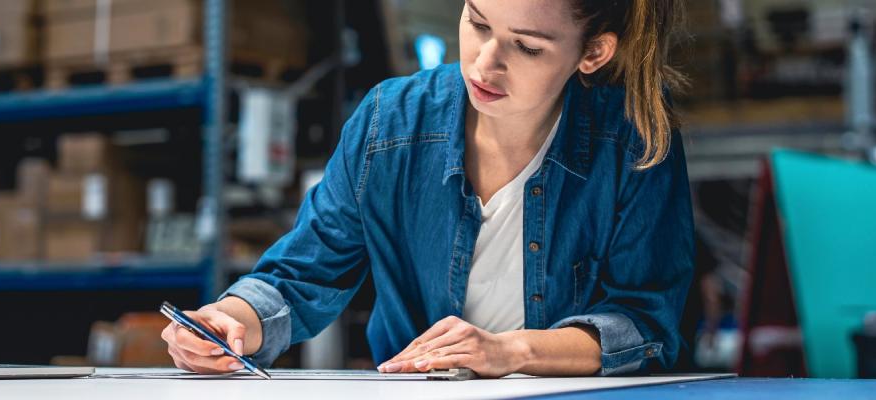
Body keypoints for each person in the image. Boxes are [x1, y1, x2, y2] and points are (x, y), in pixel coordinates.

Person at [162, 0, 693, 378]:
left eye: (527, 47)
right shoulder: (388, 121)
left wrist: (511, 352)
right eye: (478, 22)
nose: (485, 62)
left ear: (593, 53)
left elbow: (645, 321)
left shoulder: (635, 138)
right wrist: (229, 322)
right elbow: (303, 275)